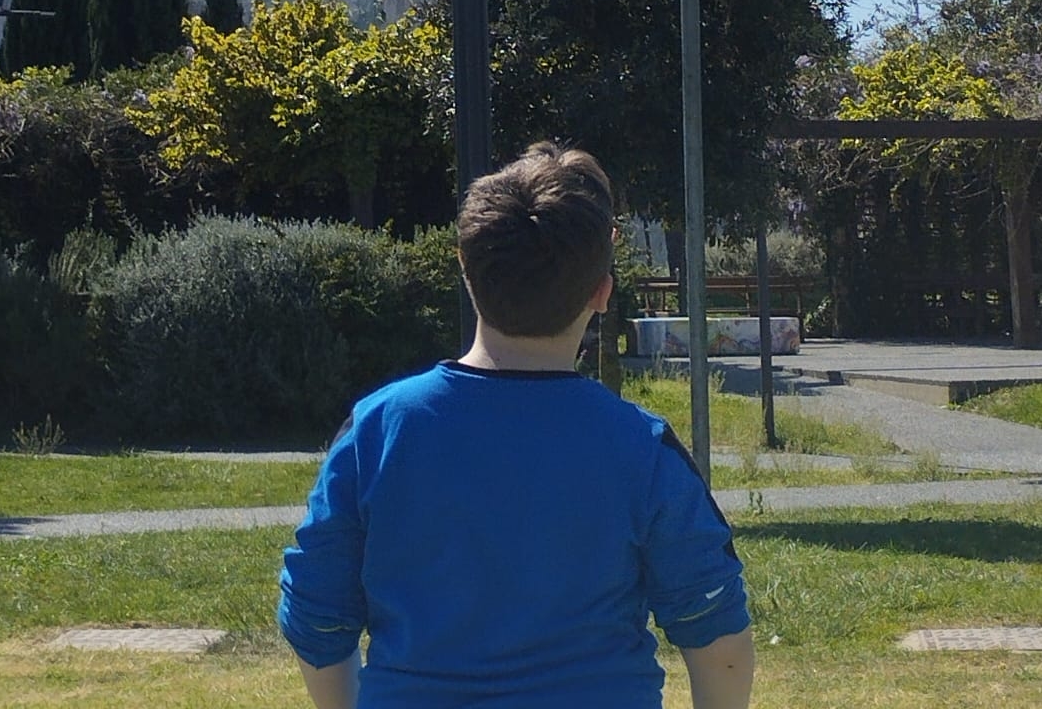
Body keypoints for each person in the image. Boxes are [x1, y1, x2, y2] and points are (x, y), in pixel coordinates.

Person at [278, 141, 754, 709]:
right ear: (602, 292)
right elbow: (717, 636)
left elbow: (316, 616)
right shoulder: (643, 448)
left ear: (465, 267)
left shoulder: (377, 430)